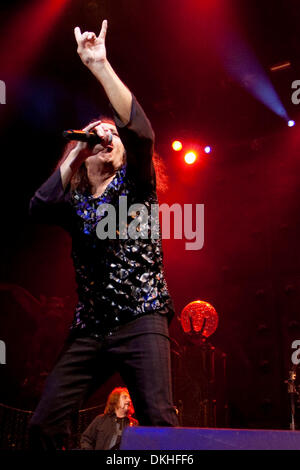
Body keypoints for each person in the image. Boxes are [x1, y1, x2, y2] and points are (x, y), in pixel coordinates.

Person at [28, 19, 178, 450]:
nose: (106, 134)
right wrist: (75, 149)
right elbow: (38, 206)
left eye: (113, 132)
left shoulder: (136, 188)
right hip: (90, 327)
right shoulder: (75, 203)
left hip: (141, 317)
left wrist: (100, 66)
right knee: (43, 425)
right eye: (99, 132)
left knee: (160, 426)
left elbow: (141, 132)